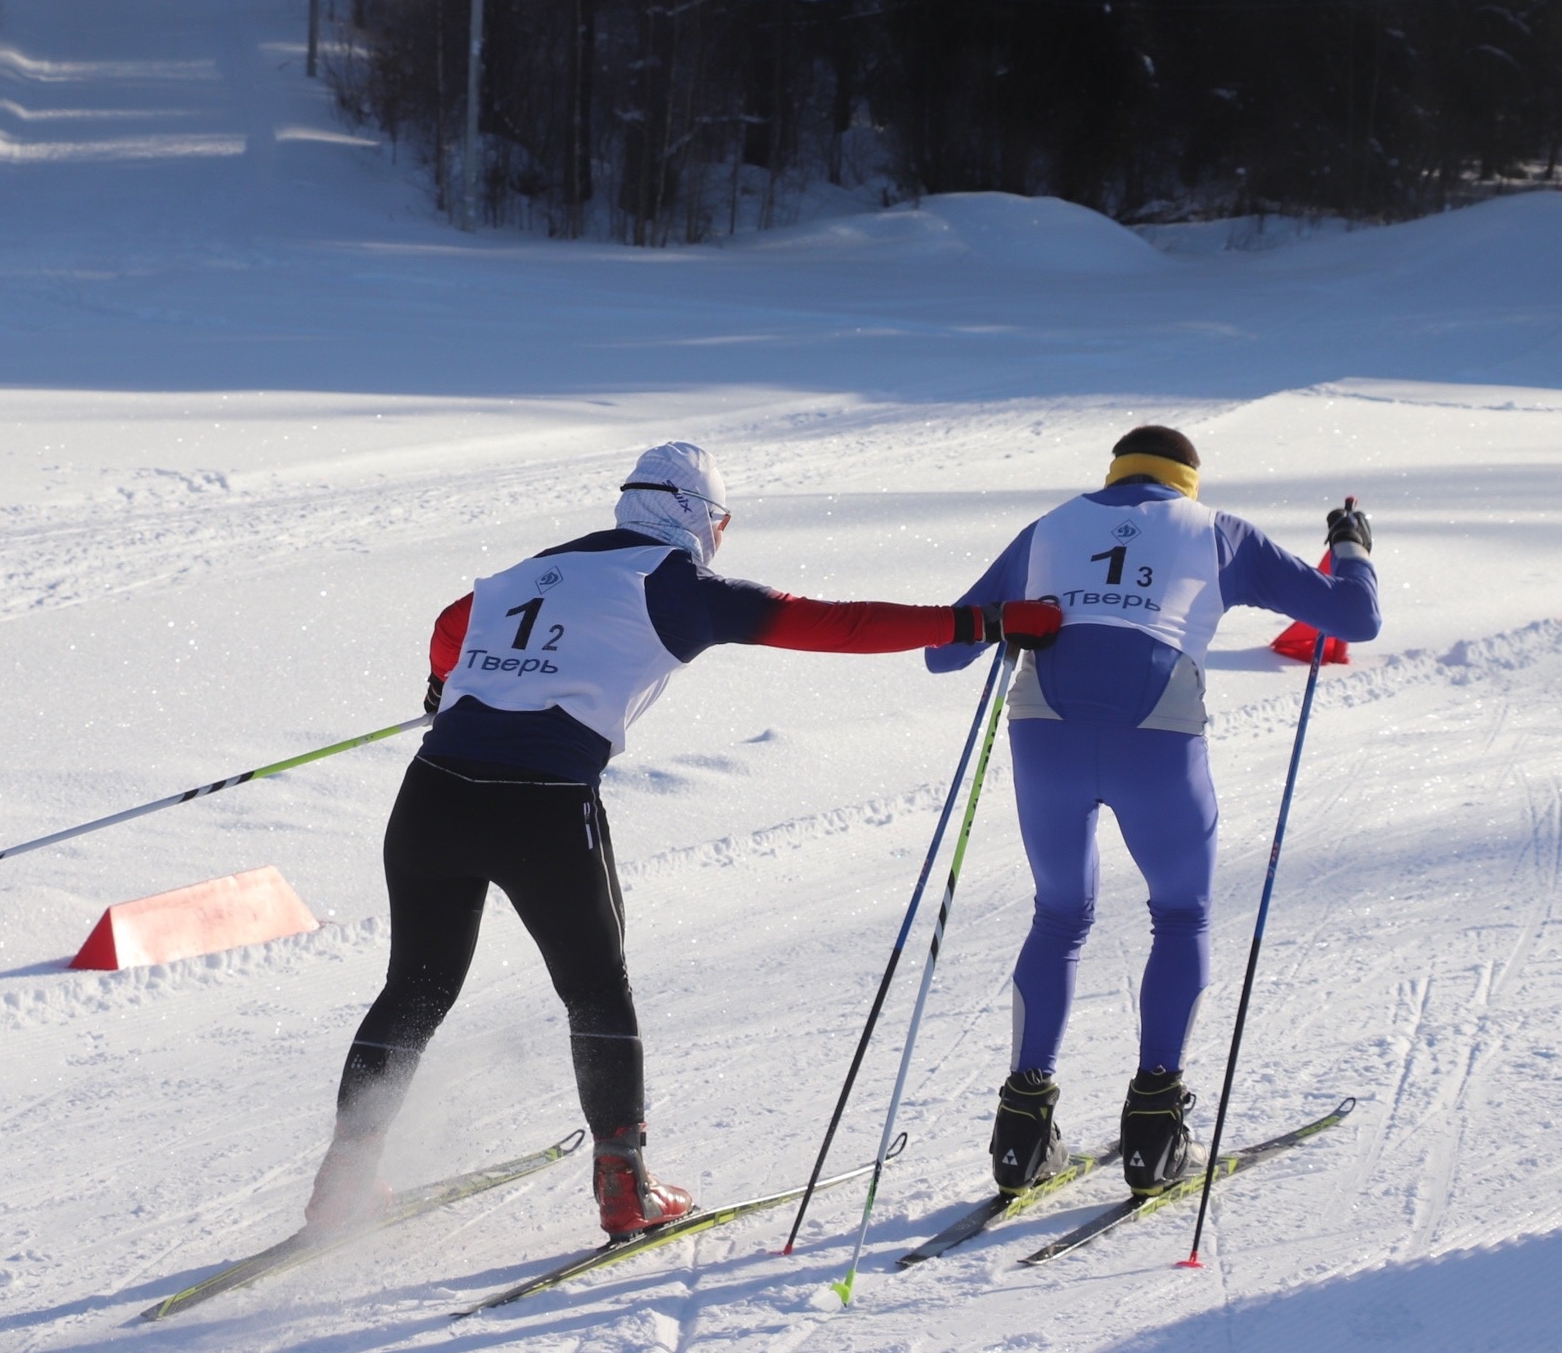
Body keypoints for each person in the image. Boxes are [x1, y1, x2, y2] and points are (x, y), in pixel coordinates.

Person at [306, 441, 1063, 1238]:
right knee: (595, 990)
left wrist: (443, 686)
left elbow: (450, 627)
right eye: (722, 523)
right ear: (700, 518)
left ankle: (343, 1180)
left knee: (416, 988)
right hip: (542, 806)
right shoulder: (675, 587)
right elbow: (834, 623)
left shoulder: (531, 570)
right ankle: (624, 1186)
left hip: (433, 795)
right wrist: (983, 621)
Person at [926, 425, 1378, 1195]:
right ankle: (1154, 1132)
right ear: (1186, 480)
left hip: (1046, 734)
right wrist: (1351, 546)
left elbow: (944, 651)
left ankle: (1022, 1134)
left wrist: (1020, 617)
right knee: (1180, 913)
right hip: (1157, 738)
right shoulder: (1218, 532)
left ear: (1116, 473)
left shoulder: (1050, 527)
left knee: (1059, 915)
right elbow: (1355, 619)